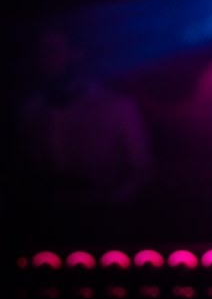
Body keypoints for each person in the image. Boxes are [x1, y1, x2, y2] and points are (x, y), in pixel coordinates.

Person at [13, 23, 154, 231]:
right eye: (40, 52)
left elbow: (141, 170)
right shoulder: (31, 110)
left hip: (105, 226)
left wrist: (111, 206)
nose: (45, 60)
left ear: (77, 54)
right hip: (43, 226)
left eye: (53, 50)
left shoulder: (117, 106)